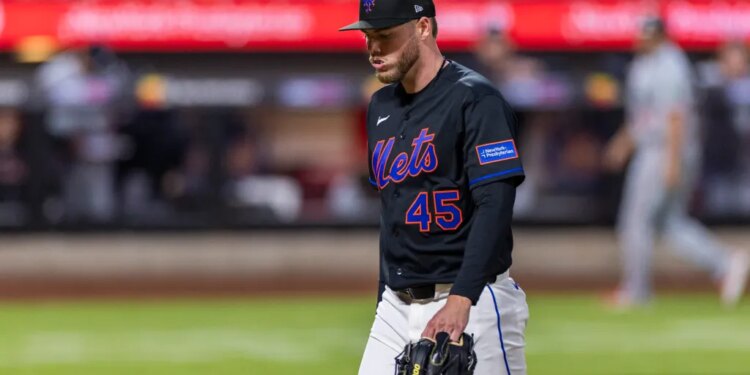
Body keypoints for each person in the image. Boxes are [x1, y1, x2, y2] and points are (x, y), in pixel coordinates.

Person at [339, 1, 528, 374]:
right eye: (368, 36)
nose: (374, 49)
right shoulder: (380, 107)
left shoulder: (475, 99)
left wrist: (463, 297)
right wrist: (383, 296)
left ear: (423, 27)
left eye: (385, 35)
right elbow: (391, 215)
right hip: (397, 303)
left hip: (474, 298)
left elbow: (495, 203)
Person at [603, 17, 750, 307]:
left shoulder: (670, 64)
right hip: (657, 148)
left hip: (665, 149)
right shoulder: (645, 63)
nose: (642, 38)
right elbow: (643, 115)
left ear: (660, 36)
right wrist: (623, 142)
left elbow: (675, 116)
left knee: (636, 220)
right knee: (671, 222)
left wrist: (671, 160)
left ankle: (637, 290)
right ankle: (726, 262)